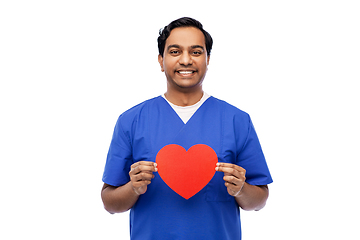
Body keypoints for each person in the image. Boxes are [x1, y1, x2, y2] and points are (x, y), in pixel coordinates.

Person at [101, 17, 273, 240]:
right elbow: (109, 202)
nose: (185, 60)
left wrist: (241, 189)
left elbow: (259, 200)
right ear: (161, 61)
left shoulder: (236, 120)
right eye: (174, 51)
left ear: (208, 59)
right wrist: (132, 188)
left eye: (196, 52)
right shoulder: (131, 121)